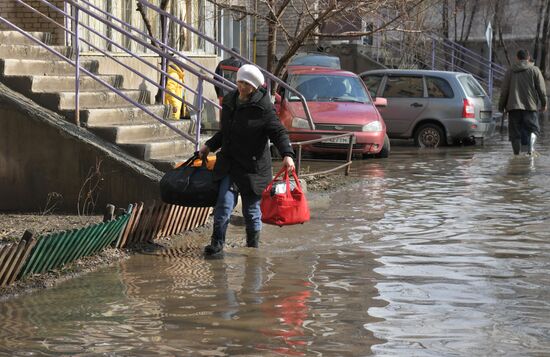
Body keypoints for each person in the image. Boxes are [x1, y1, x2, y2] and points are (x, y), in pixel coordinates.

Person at [199, 64, 295, 257]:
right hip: (230, 164)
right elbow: (226, 132)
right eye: (240, 82)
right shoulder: (229, 101)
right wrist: (209, 145)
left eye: (247, 84)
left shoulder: (264, 108)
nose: (242, 87)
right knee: (223, 207)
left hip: (253, 168)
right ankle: (216, 246)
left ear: (255, 86)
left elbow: (278, 132)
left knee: (251, 212)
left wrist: (287, 154)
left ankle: (253, 250)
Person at [498, 49, 547, 155]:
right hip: (530, 107)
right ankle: (530, 150)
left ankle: (516, 156)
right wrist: (544, 104)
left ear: (517, 58)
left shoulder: (510, 71)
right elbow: (542, 90)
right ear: (528, 58)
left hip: (513, 108)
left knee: (515, 134)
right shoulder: (535, 70)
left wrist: (501, 107)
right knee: (533, 130)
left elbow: (504, 91)